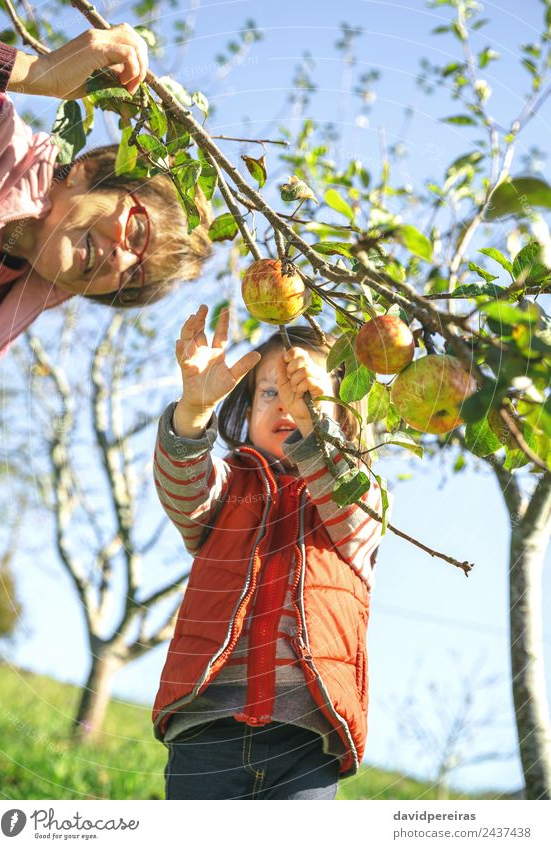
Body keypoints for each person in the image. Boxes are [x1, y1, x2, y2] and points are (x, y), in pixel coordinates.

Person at [152, 304, 383, 800]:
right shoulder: (230, 486)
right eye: (269, 392)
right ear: (246, 408)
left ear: (344, 414)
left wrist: (315, 426)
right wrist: (192, 410)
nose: (285, 406)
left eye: (305, 393)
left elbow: (349, 501)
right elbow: (183, 489)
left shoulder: (358, 498)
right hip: (205, 730)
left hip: (305, 744)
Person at [0, 24, 211, 389]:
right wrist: (37, 73)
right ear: (87, 173)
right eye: (137, 232)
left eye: (133, 278)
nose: (121, 261)